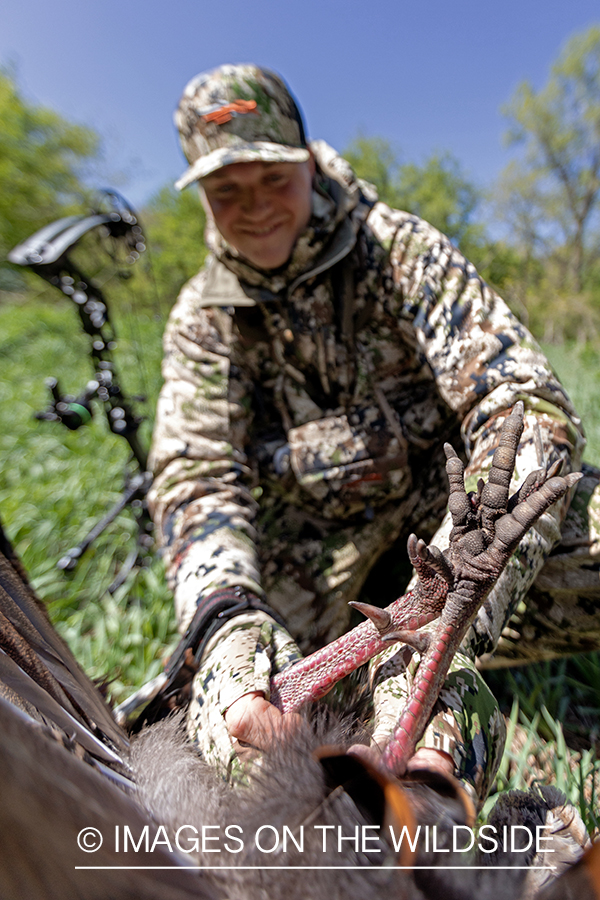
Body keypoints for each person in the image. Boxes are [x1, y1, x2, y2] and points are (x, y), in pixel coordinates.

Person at [147, 63, 600, 807]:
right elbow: (195, 481)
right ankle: (366, 739)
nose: (255, 208)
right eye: (227, 190)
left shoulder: (397, 251)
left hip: (452, 533)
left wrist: (461, 585)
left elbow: (522, 402)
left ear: (306, 160)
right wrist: (229, 627)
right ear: (200, 195)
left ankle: (431, 730)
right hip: (316, 574)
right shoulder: (204, 321)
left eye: (272, 180)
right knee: (222, 714)